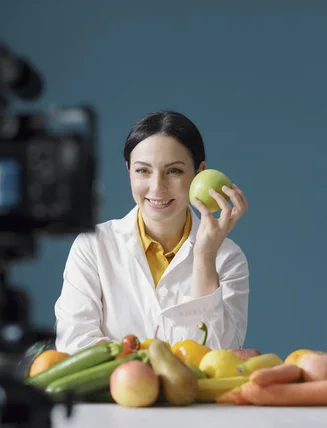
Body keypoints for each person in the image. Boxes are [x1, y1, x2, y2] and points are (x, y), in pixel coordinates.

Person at [53, 110, 250, 355]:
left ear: (199, 172)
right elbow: (74, 345)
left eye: (174, 171)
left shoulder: (227, 258)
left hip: (195, 395)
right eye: (143, 171)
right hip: (113, 394)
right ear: (128, 171)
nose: (157, 187)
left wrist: (205, 258)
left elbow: (220, 357)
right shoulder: (92, 246)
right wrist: (152, 368)